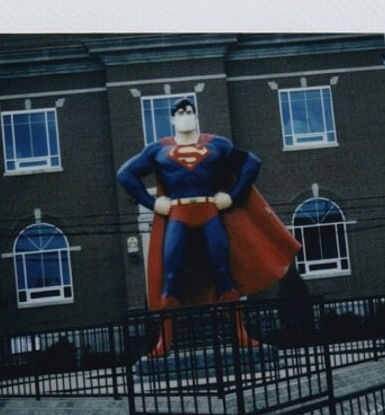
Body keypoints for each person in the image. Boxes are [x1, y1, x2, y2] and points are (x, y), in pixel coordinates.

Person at [117, 98, 300, 356]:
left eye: (189, 111)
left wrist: (233, 196)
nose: (185, 115)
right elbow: (125, 174)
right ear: (172, 119)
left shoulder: (216, 144)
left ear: (196, 115)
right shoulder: (158, 150)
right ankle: (164, 342)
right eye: (180, 112)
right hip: (178, 215)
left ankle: (241, 334)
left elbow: (252, 163)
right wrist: (152, 202)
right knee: (171, 277)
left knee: (223, 272)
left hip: (210, 213)